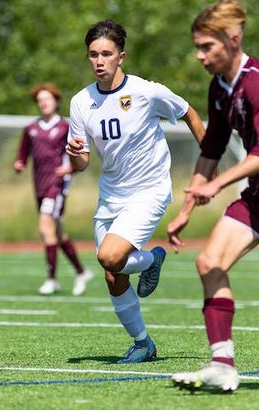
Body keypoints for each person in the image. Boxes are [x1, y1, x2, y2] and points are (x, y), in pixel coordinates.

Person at [66, 20, 205, 363]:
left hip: (149, 190)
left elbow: (188, 112)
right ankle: (143, 342)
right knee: (112, 274)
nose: (99, 61)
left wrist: (210, 159)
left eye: (107, 54)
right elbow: (83, 163)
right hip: (111, 194)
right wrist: (74, 157)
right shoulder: (81, 102)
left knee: (110, 257)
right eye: (93, 55)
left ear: (121, 56)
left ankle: (152, 258)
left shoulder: (145, 91)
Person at [167, 0, 259, 393]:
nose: (200, 55)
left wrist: (217, 185)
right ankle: (222, 364)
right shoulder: (220, 88)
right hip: (258, 196)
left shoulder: (255, 82)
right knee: (209, 262)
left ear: (233, 39)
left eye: (208, 46)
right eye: (198, 46)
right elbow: (211, 150)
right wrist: (186, 208)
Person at [13, 82, 93, 296]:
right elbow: (23, 154)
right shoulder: (31, 129)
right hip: (39, 185)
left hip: (57, 186)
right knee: (56, 232)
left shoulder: (65, 127)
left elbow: (81, 155)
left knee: (45, 227)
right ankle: (81, 271)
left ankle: (52, 279)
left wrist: (70, 170)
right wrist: (19, 163)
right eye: (40, 100)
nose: (44, 103)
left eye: (47, 99)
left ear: (56, 102)